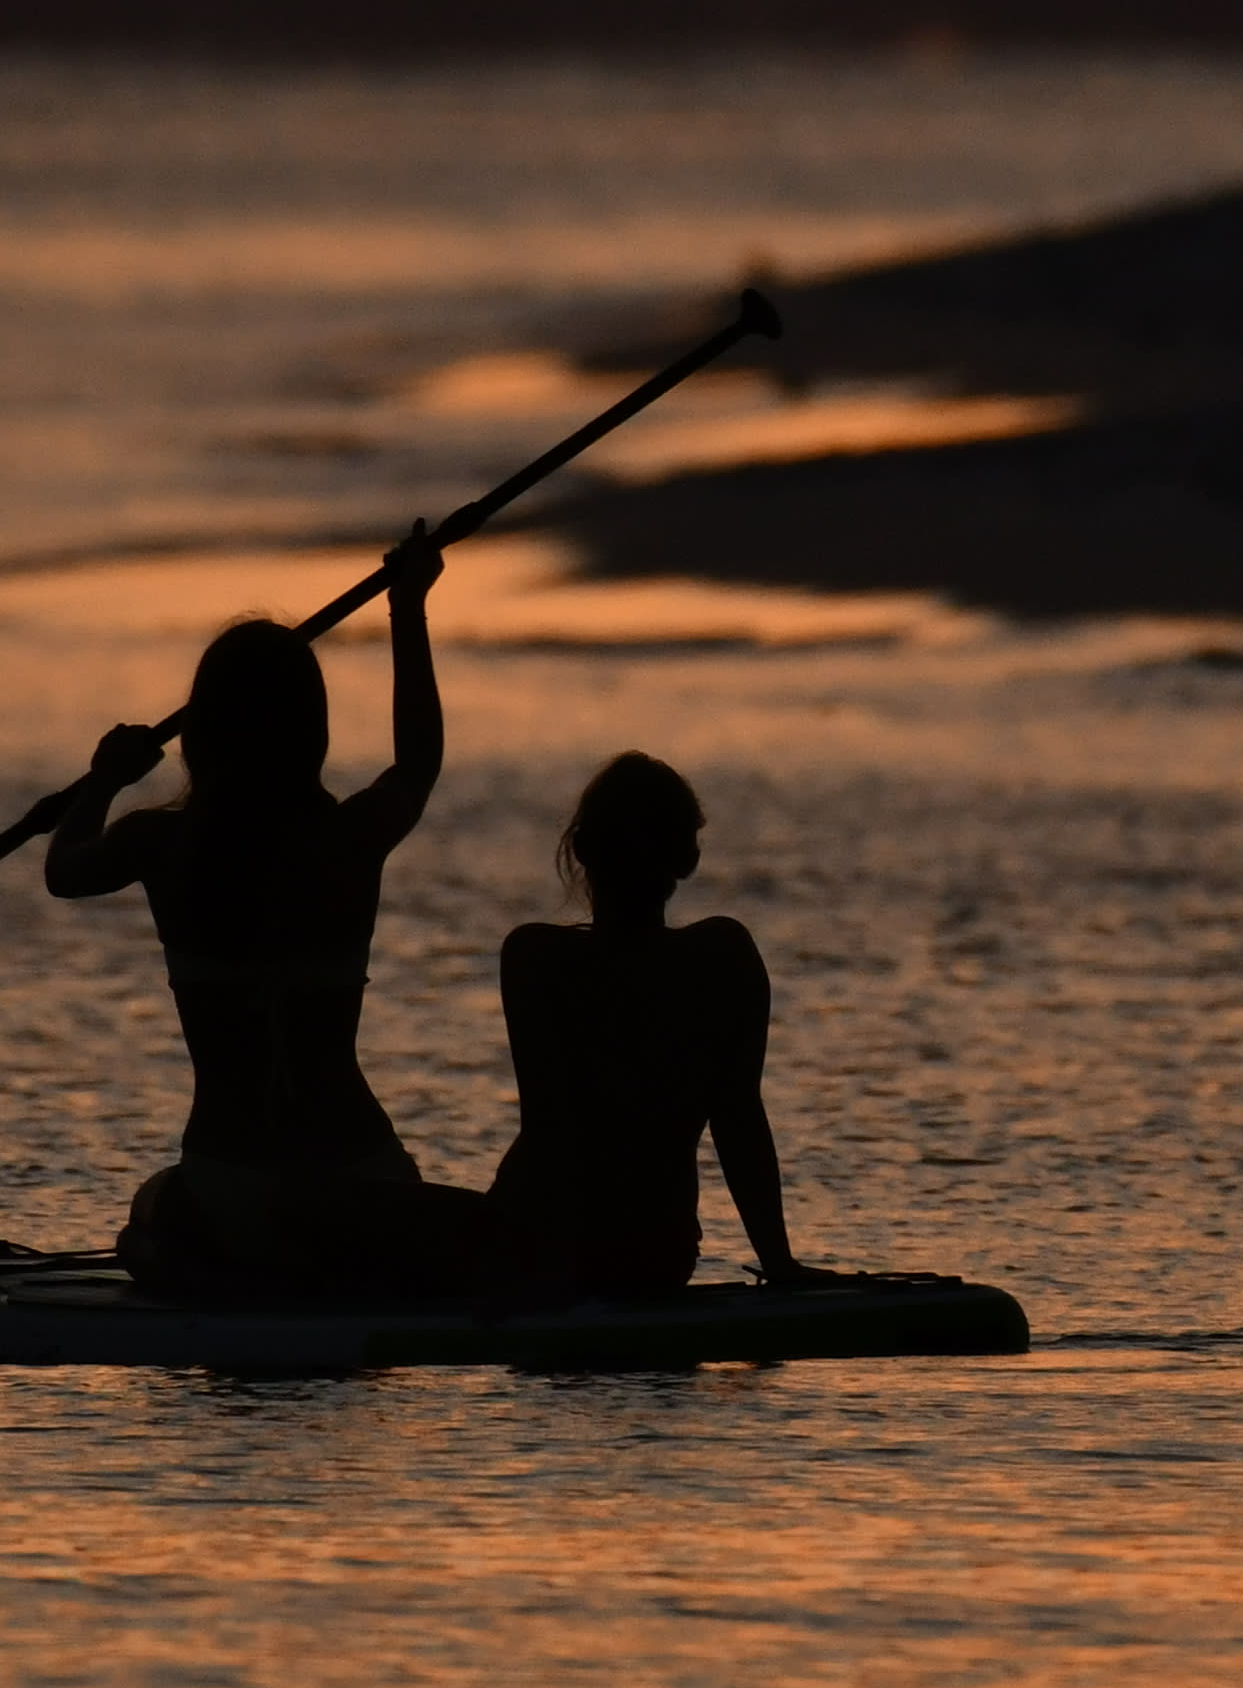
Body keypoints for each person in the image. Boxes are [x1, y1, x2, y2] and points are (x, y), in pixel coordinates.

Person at [43, 528, 478, 1301]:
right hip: (361, 1180)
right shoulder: (349, 836)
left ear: (201, 736)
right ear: (311, 732)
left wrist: (101, 782)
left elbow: (63, 871)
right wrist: (408, 610)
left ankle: (219, 1267)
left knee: (150, 1210)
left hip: (228, 1188)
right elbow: (417, 763)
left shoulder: (158, 843)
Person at [485, 749, 803, 1305]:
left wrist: (540, 1279)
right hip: (658, 1253)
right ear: (687, 858)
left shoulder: (535, 956)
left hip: (535, 1247)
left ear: (583, 850)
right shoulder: (723, 957)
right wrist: (779, 1263)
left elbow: (549, 1129)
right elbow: (739, 1120)